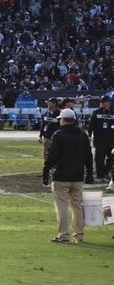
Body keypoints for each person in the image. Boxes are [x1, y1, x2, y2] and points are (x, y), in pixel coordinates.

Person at [43, 108, 93, 244]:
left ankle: (63, 235)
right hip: (77, 175)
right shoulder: (82, 135)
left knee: (62, 206)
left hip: (61, 175)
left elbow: (51, 155)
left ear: (63, 119)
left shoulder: (58, 134)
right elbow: (89, 155)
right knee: (77, 205)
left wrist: (46, 170)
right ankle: (79, 235)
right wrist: (89, 172)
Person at [88, 95, 114, 182]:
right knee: (99, 158)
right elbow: (91, 125)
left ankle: (107, 172)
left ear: (108, 102)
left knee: (111, 157)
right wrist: (89, 135)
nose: (101, 103)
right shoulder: (96, 112)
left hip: (111, 139)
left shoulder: (113, 111)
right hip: (99, 139)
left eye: (103, 102)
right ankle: (100, 176)